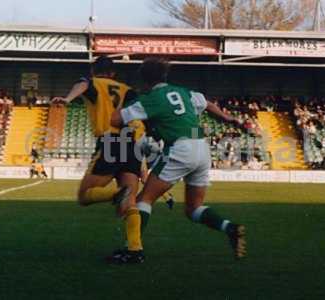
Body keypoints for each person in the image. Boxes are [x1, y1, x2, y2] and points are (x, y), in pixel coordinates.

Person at [111, 58, 246, 263]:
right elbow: (208, 104)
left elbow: (115, 120)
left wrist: (123, 99)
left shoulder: (150, 98)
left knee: (143, 200)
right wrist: (228, 118)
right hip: (201, 148)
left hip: (180, 148)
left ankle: (133, 250)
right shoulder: (184, 92)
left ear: (144, 79)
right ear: (164, 76)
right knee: (193, 208)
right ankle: (230, 227)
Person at [52, 56, 145, 257]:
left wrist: (68, 99)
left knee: (84, 196)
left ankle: (115, 194)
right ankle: (135, 248)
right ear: (113, 73)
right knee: (131, 202)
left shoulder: (93, 82)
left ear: (94, 71)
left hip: (111, 141)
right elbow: (139, 114)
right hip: (131, 144)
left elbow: (83, 84)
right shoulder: (127, 90)